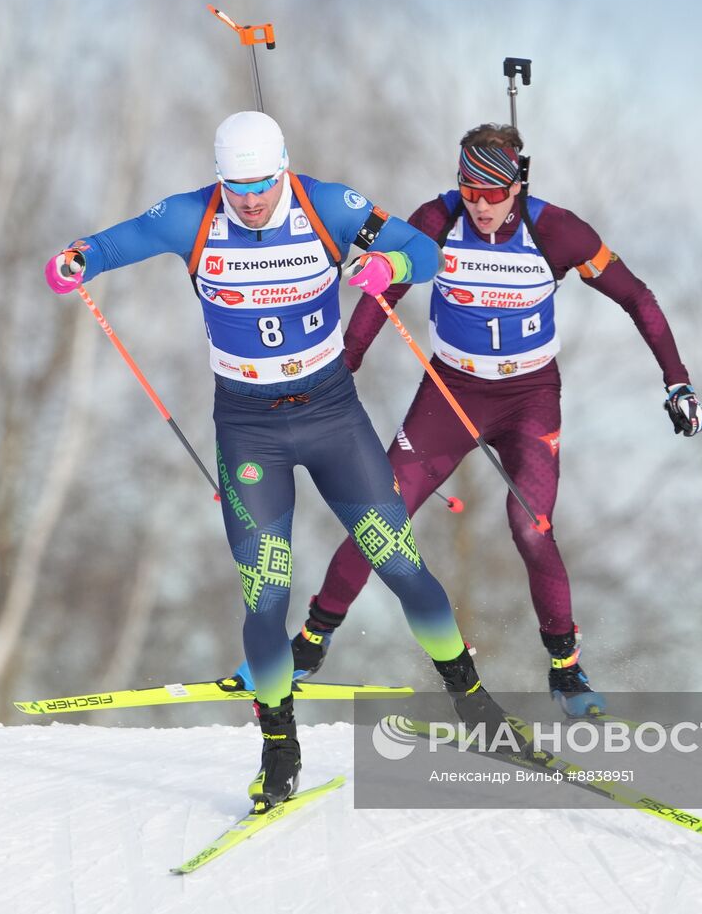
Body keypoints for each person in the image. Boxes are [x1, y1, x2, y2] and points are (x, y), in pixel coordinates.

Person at [44, 112, 514, 813]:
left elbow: (431, 252)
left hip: (331, 416)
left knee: (400, 564)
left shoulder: (328, 205)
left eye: (262, 184)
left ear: (283, 168)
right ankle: (279, 747)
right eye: (237, 186)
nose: (252, 200)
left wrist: (387, 266)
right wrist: (75, 260)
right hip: (247, 428)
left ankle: (472, 699)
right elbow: (114, 244)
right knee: (265, 595)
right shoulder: (191, 216)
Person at [275, 123, 702, 717]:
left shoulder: (557, 231)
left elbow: (638, 298)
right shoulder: (434, 221)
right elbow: (382, 296)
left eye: (493, 193)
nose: (479, 205)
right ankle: (311, 641)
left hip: (529, 396)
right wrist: (339, 367)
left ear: (518, 185)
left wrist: (677, 381)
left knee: (531, 527)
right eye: (468, 191)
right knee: (382, 515)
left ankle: (566, 669)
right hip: (452, 392)